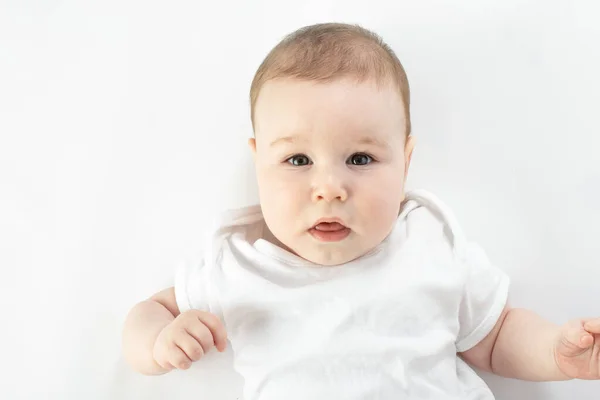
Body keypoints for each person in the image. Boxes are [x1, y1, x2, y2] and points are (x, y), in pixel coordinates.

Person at [122, 23, 600, 399]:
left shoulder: (427, 243)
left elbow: (494, 337)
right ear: (258, 161)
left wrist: (556, 353)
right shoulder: (241, 263)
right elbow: (150, 312)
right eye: (297, 160)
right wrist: (159, 342)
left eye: (360, 159)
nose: (329, 189)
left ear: (406, 162)